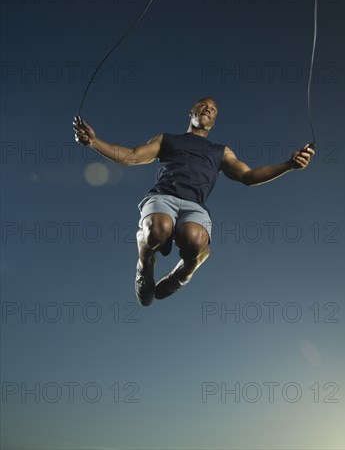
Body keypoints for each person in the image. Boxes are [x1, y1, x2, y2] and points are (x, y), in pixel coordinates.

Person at [73, 98, 315, 306]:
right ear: (191, 113)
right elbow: (131, 156)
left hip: (194, 206)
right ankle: (144, 269)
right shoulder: (166, 139)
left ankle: (181, 275)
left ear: (214, 121)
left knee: (195, 239)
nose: (208, 108)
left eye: (213, 109)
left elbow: (248, 176)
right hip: (162, 198)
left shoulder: (221, 151)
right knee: (157, 230)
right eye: (203, 105)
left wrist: (289, 165)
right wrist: (94, 142)